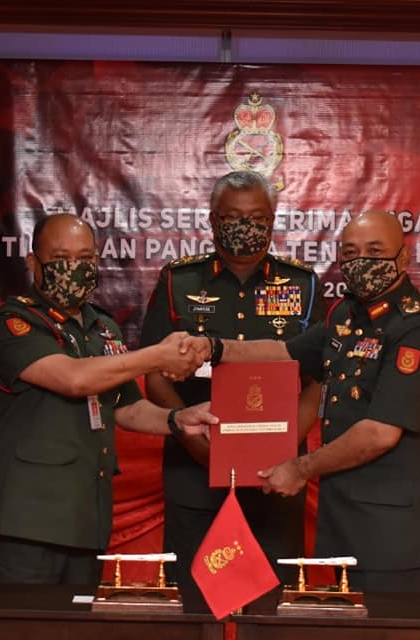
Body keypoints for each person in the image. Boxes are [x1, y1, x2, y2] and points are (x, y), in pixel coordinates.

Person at [184, 209, 420, 593]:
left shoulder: (415, 329)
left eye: (375, 250)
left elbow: (380, 433)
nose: (361, 261)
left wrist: (299, 468)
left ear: (403, 256)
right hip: (346, 515)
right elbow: (284, 353)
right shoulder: (347, 314)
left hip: (395, 529)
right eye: (350, 253)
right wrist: (214, 348)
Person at [0, 213, 216, 588]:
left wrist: (177, 419)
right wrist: (156, 356)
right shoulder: (15, 322)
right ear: (32, 262)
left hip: (86, 521)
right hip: (26, 524)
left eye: (86, 259)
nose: (75, 268)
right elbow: (73, 379)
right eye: (61, 258)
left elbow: (128, 408)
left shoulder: (102, 327)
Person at [139, 170, 325, 605]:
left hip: (275, 478)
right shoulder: (178, 281)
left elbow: (318, 379)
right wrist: (202, 449)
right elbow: (153, 374)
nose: (245, 226)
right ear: (212, 219)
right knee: (195, 602)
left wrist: (282, 448)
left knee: (273, 607)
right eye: (234, 216)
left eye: (257, 217)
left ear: (273, 219)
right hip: (194, 469)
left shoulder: (302, 284)